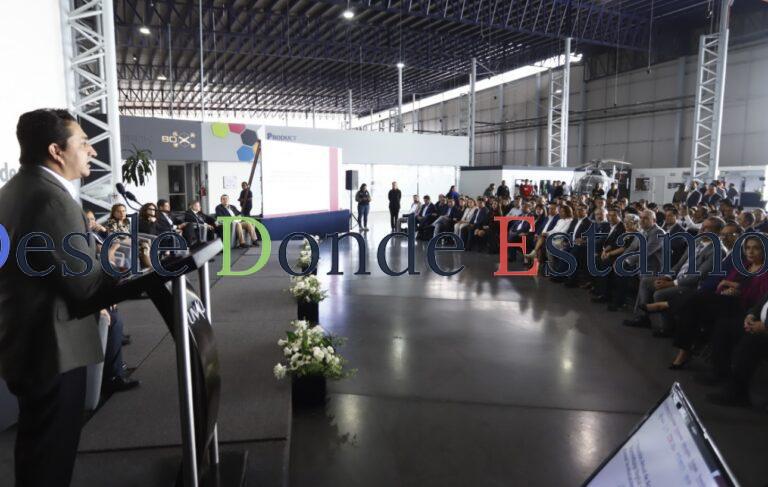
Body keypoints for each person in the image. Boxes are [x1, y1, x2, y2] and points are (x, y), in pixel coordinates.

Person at [0, 109, 120, 487]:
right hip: (53, 350)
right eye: (83, 143)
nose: (92, 151)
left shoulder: (13, 191)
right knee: (50, 457)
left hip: (28, 344)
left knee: (37, 451)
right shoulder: (52, 200)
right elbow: (85, 285)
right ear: (56, 150)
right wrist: (110, 264)